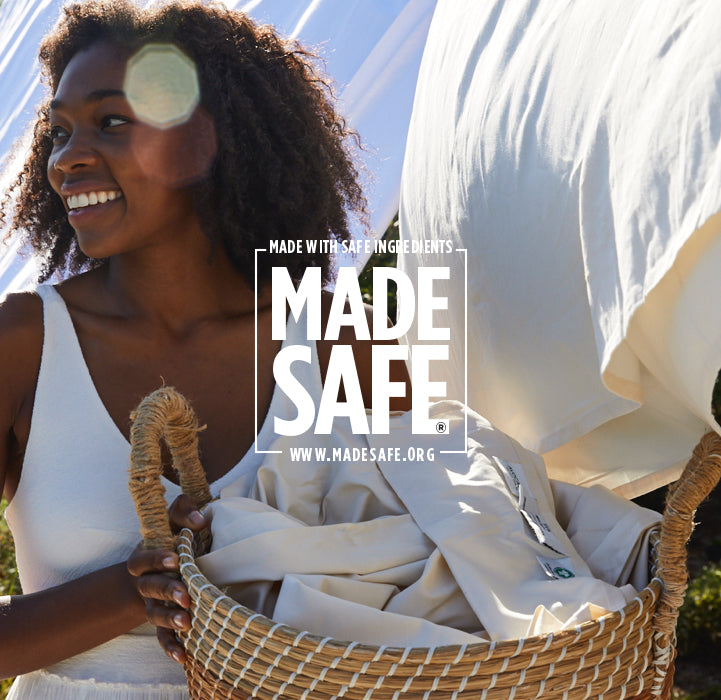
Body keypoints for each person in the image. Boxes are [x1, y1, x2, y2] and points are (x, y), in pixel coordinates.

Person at [0, 0, 411, 696]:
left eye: (112, 122)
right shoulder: (23, 342)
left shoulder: (347, 336)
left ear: (210, 140)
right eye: (59, 132)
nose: (67, 160)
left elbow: (438, 569)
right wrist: (133, 592)